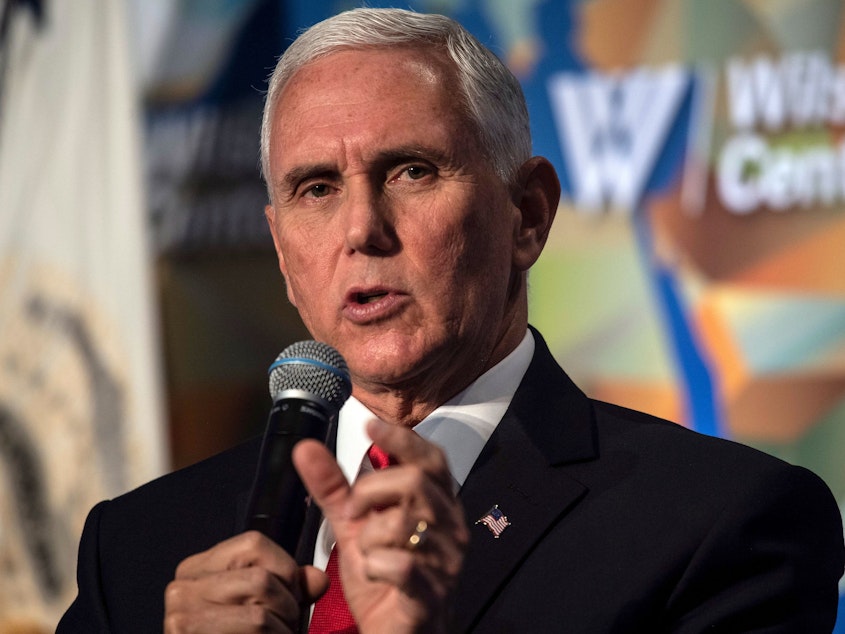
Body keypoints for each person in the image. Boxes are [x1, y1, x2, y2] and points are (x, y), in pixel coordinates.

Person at [58, 7, 844, 633]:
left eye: (411, 170)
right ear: (282, 251)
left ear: (527, 215)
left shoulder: (721, 524)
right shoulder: (139, 551)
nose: (361, 228)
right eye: (316, 189)